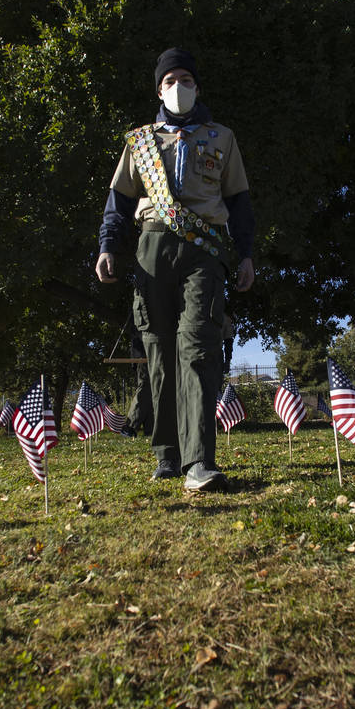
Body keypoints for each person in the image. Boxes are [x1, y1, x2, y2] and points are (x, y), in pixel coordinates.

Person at [96, 48, 255, 492]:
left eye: (185, 78)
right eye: (170, 80)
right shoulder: (139, 141)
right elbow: (119, 202)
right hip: (151, 248)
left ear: (197, 87)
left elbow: (239, 202)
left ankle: (199, 461)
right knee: (160, 355)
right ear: (159, 89)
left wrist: (245, 254)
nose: (178, 87)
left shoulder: (222, 137)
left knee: (200, 347)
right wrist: (108, 246)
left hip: (205, 253)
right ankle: (167, 454)